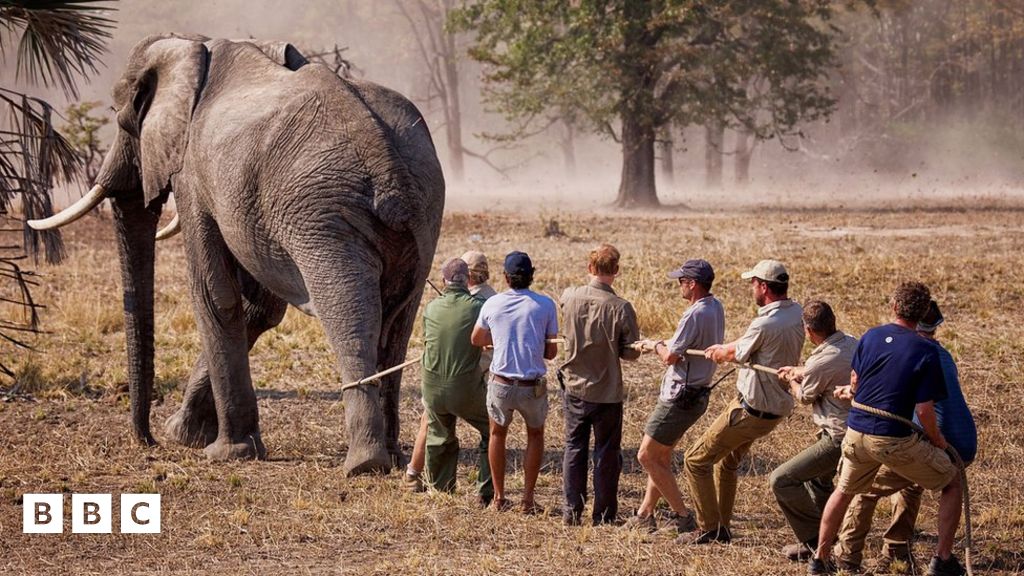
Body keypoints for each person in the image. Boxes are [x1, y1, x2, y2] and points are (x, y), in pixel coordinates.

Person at [810, 282, 964, 576]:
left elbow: (856, 382)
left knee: (842, 492)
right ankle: (942, 559)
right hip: (892, 439)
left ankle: (820, 559)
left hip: (855, 432)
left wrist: (853, 391)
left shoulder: (870, 336)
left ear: (894, 307)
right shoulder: (927, 350)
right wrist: (937, 441)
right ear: (922, 315)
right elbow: (924, 410)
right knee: (952, 482)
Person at [682, 259, 804, 544]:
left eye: (753, 283)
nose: (751, 288)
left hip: (750, 410)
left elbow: (738, 353)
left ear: (763, 286)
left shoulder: (764, 323)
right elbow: (749, 344)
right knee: (726, 463)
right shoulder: (795, 312)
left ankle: (709, 528)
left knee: (695, 460)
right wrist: (727, 347)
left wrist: (722, 352)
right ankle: (722, 527)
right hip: (774, 409)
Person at [625, 259, 725, 534]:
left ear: (692, 284)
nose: (679, 285)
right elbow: (684, 344)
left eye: (682, 281)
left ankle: (682, 515)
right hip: (697, 394)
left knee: (646, 456)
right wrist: (660, 344)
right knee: (662, 456)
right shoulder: (715, 307)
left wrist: (656, 345)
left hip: (679, 396)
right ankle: (646, 513)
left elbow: (670, 357)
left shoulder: (693, 314)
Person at [557, 244, 642, 526]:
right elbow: (631, 352)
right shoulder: (621, 308)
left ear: (590, 268)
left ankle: (572, 510)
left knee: (574, 448)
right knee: (606, 454)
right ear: (616, 271)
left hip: (574, 388)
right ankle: (604, 515)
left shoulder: (569, 297)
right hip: (606, 392)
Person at [471, 251, 558, 513]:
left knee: (497, 434)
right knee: (536, 435)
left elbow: (476, 339)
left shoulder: (493, 304)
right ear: (532, 276)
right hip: (532, 385)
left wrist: (497, 340)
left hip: (501, 383)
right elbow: (551, 352)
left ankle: (498, 497)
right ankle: (528, 499)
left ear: (506, 278)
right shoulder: (545, 304)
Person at [404, 251, 497, 492]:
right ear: (468, 278)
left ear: (445, 281)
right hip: (467, 384)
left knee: (437, 430)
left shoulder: (432, 307)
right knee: (494, 429)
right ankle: (486, 491)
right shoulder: (484, 304)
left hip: (433, 383)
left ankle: (436, 486)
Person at [771, 301, 857, 561]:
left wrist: (790, 381)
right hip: (854, 430)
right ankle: (826, 537)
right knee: (819, 480)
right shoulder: (851, 342)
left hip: (838, 437)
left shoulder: (821, 359)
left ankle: (813, 543)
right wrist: (800, 370)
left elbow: (806, 396)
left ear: (808, 330)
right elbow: (823, 368)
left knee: (781, 479)